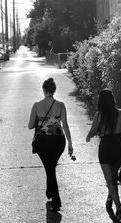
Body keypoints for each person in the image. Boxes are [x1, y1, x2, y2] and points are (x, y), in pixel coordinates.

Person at [28, 78, 73, 212]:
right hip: (59, 141)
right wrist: (70, 144)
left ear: (44, 90)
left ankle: (56, 200)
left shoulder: (37, 105)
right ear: (54, 90)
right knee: (51, 166)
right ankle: (50, 191)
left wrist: (39, 120)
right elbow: (65, 125)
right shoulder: (61, 105)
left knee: (49, 167)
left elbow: (30, 126)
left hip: (43, 142)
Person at [86, 89, 121, 221]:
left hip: (105, 148)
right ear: (113, 99)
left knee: (109, 179)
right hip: (119, 147)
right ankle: (111, 197)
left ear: (100, 101)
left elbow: (93, 131)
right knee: (114, 177)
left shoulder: (99, 115)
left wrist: (89, 136)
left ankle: (118, 206)